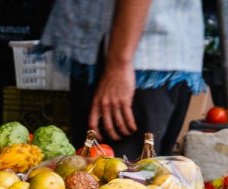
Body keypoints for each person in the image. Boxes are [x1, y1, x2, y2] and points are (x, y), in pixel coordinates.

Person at [40, 0, 205, 158]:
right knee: (148, 176)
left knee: (118, 178)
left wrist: (118, 65)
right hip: (160, 51)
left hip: (132, 59)